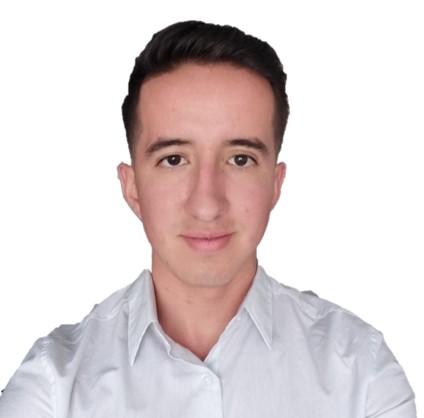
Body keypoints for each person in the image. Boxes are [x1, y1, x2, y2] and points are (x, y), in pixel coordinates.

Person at [0, 20, 416, 418]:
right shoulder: (51, 387)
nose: (207, 204)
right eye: (173, 159)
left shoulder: (363, 374)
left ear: (275, 183)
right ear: (132, 187)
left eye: (240, 159)